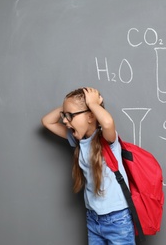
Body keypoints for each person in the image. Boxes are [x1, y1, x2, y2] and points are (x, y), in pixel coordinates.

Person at [41, 87, 135, 245]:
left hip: (118, 219)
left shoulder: (107, 140)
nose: (64, 120)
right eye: (64, 115)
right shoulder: (77, 139)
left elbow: (107, 122)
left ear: (91, 116)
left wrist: (92, 104)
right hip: (93, 218)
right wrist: (67, 108)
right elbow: (47, 122)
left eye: (69, 116)